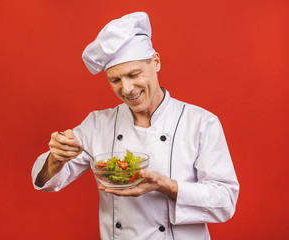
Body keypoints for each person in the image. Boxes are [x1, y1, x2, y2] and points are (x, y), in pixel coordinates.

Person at [32, 12, 239, 240]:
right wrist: (56, 157)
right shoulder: (97, 124)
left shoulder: (200, 122)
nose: (127, 88)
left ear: (156, 62)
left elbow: (225, 201)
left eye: (133, 74)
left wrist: (165, 185)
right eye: (115, 80)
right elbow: (45, 183)